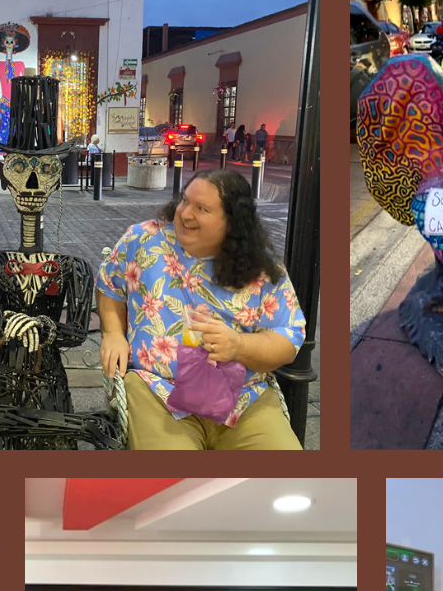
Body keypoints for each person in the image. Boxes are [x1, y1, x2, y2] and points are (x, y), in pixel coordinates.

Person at [97, 172, 306, 450]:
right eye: (185, 201)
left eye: (202, 208)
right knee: (180, 486)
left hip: (243, 400)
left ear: (232, 222)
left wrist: (239, 345)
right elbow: (110, 284)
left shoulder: (262, 269)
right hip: (158, 391)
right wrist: (112, 332)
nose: (185, 213)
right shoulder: (144, 240)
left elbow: (288, 339)